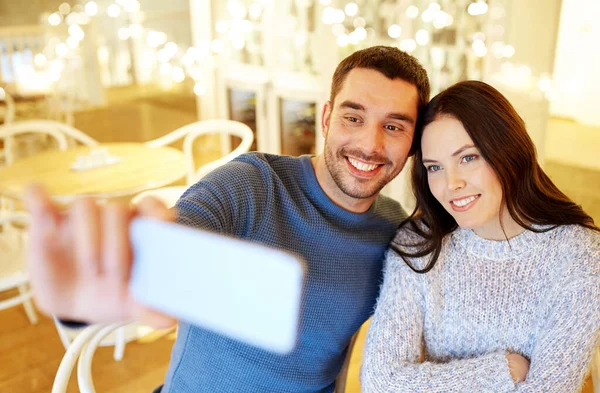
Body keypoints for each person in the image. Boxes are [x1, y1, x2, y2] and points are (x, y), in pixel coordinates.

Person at [24, 46, 430, 393]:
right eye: (353, 118)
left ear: (412, 143)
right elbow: (178, 237)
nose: (370, 144)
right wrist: (128, 269)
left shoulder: (393, 231)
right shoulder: (252, 184)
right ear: (325, 118)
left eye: (393, 126)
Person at [361, 80, 600, 392]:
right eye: (435, 167)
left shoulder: (580, 255)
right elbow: (380, 382)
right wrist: (500, 372)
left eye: (468, 158)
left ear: (507, 151)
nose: (451, 183)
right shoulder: (418, 244)